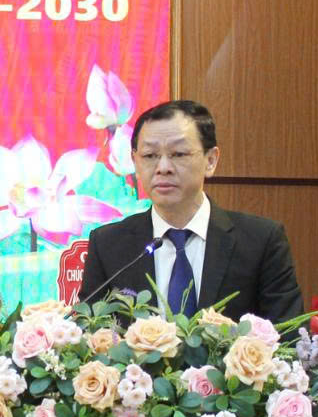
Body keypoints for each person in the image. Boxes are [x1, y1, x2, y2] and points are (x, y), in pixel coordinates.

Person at [80, 100, 303, 323]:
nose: (163, 168)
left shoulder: (261, 241)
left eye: (178, 154)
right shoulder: (108, 245)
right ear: (135, 162)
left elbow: (288, 334)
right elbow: (89, 330)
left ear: (211, 160)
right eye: (150, 156)